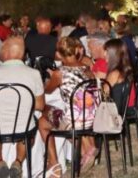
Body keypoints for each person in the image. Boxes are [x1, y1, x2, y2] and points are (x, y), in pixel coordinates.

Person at [0, 37, 44, 178]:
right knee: (30, 127)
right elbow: (40, 106)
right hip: (23, 129)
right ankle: (17, 163)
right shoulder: (34, 74)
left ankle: (0, 163)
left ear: (6, 53)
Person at [39, 37, 98, 178]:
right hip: (92, 119)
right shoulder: (87, 69)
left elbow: (47, 90)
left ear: (59, 54)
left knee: (42, 121)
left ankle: (54, 165)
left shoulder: (60, 73)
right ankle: (87, 149)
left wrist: (52, 76)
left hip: (75, 121)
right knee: (55, 111)